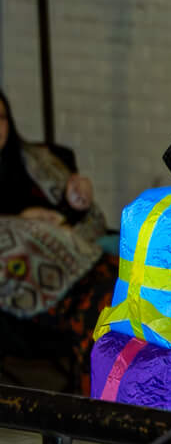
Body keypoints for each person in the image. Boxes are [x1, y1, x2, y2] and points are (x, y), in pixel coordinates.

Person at [0, 91, 116, 391]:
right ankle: (95, 403)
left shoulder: (36, 162)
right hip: (25, 281)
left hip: (80, 262)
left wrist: (77, 203)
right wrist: (25, 221)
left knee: (124, 290)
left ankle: (102, 400)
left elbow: (89, 225)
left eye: (0, 118)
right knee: (98, 307)